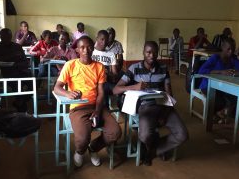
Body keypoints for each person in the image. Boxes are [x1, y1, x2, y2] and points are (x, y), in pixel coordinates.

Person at [113, 41, 188, 166]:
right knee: (145, 136)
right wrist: (134, 86)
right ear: (143, 53)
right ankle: (152, 147)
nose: (151, 55)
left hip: (163, 105)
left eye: (154, 52)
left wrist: (166, 112)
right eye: (148, 52)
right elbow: (116, 89)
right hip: (145, 107)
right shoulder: (134, 68)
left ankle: (154, 150)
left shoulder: (163, 69)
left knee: (182, 135)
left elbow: (169, 93)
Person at [54, 36, 121, 167]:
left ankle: (93, 148)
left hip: (97, 106)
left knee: (115, 132)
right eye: (82, 47)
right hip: (78, 108)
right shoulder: (70, 65)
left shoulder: (99, 67)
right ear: (77, 50)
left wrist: (97, 110)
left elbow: (101, 92)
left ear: (93, 48)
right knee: (83, 138)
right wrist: (68, 93)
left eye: (89, 47)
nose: (86, 50)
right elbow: (57, 87)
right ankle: (79, 152)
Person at [198, 37, 239, 123]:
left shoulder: (232, 59)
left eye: (232, 49)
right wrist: (221, 72)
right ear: (222, 47)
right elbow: (201, 71)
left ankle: (223, 113)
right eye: (228, 49)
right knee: (220, 101)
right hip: (208, 86)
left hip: (224, 87)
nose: (231, 52)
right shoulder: (215, 57)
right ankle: (215, 114)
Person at [0, 28, 31, 112]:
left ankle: (22, 100)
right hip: (8, 72)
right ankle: (21, 105)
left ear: (11, 36)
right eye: (4, 36)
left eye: (8, 36)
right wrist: (13, 57)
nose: (7, 38)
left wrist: (15, 63)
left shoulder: (17, 46)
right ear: (0, 37)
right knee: (17, 85)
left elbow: (25, 61)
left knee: (32, 81)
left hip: (21, 70)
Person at [92, 30, 118, 107]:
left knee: (103, 87)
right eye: (102, 39)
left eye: (106, 40)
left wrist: (107, 73)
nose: (104, 43)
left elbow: (115, 74)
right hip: (93, 80)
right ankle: (103, 111)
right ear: (97, 38)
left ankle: (102, 111)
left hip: (106, 81)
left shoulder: (111, 54)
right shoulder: (91, 52)